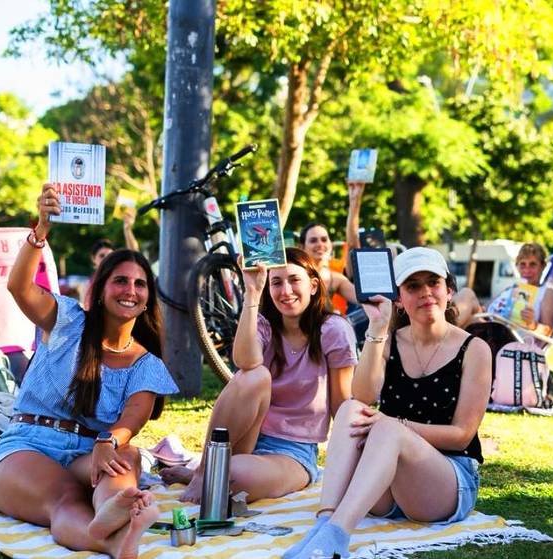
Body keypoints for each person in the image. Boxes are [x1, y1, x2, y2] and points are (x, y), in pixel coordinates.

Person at [0, 183, 179, 559]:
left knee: (126, 457)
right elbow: (19, 287)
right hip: (30, 443)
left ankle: (114, 509)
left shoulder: (147, 364)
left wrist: (108, 442)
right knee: (66, 497)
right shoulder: (68, 320)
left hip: (91, 450)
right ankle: (111, 537)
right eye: (120, 280)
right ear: (101, 288)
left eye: (140, 284)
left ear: (147, 299)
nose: (130, 290)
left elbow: (133, 418)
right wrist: (41, 230)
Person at [282, 247, 491, 559]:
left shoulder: (474, 349)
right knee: (350, 410)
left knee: (389, 428)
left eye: (433, 282)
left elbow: (462, 435)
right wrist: (377, 328)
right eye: (413, 286)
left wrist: (398, 426)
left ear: (449, 290)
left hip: (447, 482)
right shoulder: (390, 340)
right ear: (399, 299)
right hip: (387, 484)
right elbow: (362, 396)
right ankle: (325, 522)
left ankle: (337, 536)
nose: (425, 292)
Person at [160, 247, 357, 503]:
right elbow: (244, 362)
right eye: (276, 283)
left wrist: (350, 463)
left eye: (294, 280)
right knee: (255, 375)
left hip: (292, 452)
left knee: (230, 477)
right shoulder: (263, 324)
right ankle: (203, 472)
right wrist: (252, 293)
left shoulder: (333, 330)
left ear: (313, 286)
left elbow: (342, 406)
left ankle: (211, 474)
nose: (285, 291)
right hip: (247, 437)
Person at [484, 243, 553, 339]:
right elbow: (486, 309)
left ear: (543, 266)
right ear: (517, 266)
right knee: (468, 295)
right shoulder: (512, 289)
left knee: (468, 295)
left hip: (509, 340)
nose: (527, 270)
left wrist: (532, 324)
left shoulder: (546, 293)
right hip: (488, 329)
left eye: (532, 264)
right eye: (522, 264)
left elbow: (548, 331)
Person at [299, 222, 358, 310]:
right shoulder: (294, 274)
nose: (320, 244)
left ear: (330, 244)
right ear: (301, 247)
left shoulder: (335, 278)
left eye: (324, 240)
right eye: (313, 241)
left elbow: (362, 298)